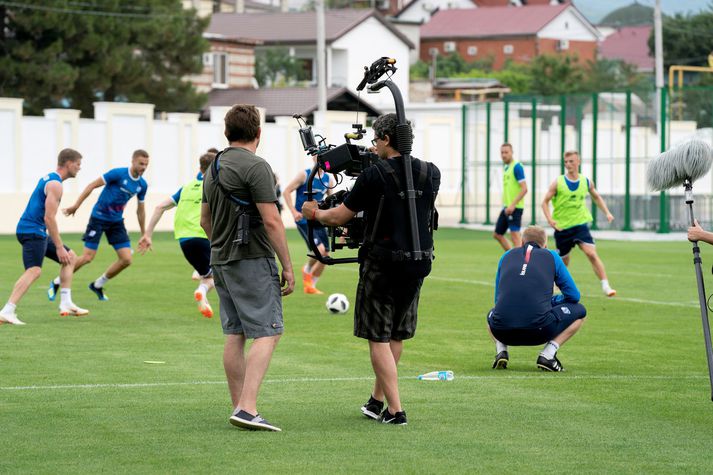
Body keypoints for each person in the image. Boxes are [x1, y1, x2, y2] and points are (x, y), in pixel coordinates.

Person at [302, 113, 440, 426]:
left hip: (382, 264)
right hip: (418, 262)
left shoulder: (374, 175)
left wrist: (315, 212)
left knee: (377, 337)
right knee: (394, 333)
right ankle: (377, 401)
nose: (373, 146)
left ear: (387, 139)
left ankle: (396, 410)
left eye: (376, 140)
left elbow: (338, 217)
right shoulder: (431, 172)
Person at [201, 104, 294, 432]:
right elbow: (271, 220)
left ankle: (238, 404)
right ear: (258, 133)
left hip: (220, 260)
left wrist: (222, 246)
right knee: (269, 331)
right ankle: (248, 407)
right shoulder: (257, 167)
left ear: (226, 132)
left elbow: (204, 220)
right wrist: (288, 266)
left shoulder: (214, 167)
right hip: (252, 258)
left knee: (235, 333)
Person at [0, 149, 89, 325]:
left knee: (70, 258)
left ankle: (66, 303)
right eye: (78, 164)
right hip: (33, 230)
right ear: (69, 163)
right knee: (34, 270)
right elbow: (49, 217)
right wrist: (58, 246)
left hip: (32, 229)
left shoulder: (49, 178)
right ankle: (7, 311)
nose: (80, 168)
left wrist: (61, 247)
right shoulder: (56, 184)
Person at [53, 149, 150, 301]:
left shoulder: (142, 185)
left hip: (116, 222)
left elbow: (140, 211)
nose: (143, 167)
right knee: (87, 257)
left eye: (146, 164)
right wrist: (76, 205)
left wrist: (145, 234)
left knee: (126, 259)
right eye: (141, 163)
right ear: (133, 161)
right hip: (98, 218)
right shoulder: (118, 174)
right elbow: (92, 185)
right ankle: (58, 281)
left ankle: (98, 284)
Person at [487, 226, 587, 372]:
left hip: (501, 330)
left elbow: (498, 299)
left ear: (521, 242)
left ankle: (501, 350)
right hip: (540, 331)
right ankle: (548, 354)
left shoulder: (506, 256)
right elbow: (574, 296)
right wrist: (553, 301)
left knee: (492, 313)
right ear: (545, 244)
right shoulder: (552, 256)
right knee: (580, 311)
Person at [138, 152, 216, 318]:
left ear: (200, 168)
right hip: (203, 236)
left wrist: (148, 234)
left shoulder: (186, 187)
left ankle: (203, 294)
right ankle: (205, 293)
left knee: (209, 275)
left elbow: (159, 207)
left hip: (184, 240)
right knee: (222, 274)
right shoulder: (215, 186)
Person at [541, 150, 616, 297]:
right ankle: (555, 285)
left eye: (571, 161)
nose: (568, 164)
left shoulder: (586, 181)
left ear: (578, 162)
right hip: (562, 227)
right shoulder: (558, 182)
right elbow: (544, 202)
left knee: (591, 253)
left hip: (580, 224)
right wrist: (550, 220)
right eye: (566, 162)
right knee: (563, 262)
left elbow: (596, 197)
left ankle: (606, 286)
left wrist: (607, 212)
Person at [282, 155, 335, 294]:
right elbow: (286, 191)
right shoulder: (304, 175)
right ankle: (307, 270)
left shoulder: (328, 179)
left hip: (318, 218)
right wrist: (293, 212)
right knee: (320, 250)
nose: (320, 158)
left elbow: (331, 200)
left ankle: (310, 286)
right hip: (304, 219)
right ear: (313, 157)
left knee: (325, 255)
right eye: (317, 155)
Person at [493, 143, 527, 251]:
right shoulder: (507, 168)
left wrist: (513, 205)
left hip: (514, 208)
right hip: (506, 208)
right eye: (502, 152)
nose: (504, 155)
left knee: (515, 237)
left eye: (506, 152)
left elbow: (524, 189)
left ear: (512, 153)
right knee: (497, 234)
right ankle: (513, 257)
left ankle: (522, 263)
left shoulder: (517, 167)